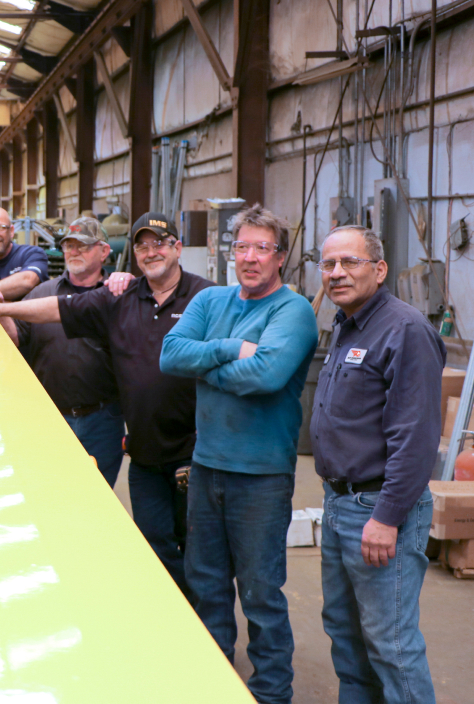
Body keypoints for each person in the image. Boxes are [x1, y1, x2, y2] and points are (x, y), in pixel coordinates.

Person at [0, 212, 213, 599]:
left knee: (200, 548)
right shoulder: (115, 297)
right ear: (132, 253)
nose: (152, 252)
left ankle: (207, 633)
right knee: (149, 541)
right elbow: (56, 310)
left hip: (179, 447)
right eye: (143, 245)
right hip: (131, 449)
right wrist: (3, 308)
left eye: (160, 243)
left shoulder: (194, 296)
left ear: (178, 248)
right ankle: (161, 612)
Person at [159, 204, 318, 704]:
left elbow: (267, 376)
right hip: (206, 468)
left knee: (261, 596)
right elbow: (169, 355)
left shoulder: (293, 311)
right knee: (206, 587)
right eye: (241, 247)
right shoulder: (212, 299)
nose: (249, 258)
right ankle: (213, 686)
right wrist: (231, 348)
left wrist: (203, 363)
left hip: (261, 476)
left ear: (281, 256)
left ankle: (271, 695)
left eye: (262, 248)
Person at [310, 226, 444, 704]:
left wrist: (386, 518)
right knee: (346, 637)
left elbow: (416, 438)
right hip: (340, 503)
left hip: (377, 509)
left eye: (350, 262)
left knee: (391, 646)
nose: (337, 273)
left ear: (379, 268)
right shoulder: (348, 325)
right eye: (328, 265)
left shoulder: (404, 329)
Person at [0, 217, 125, 487]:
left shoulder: (117, 296)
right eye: (69, 246)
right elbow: (16, 337)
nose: (73, 251)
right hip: (49, 416)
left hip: (103, 420)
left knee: (97, 497)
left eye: (83, 246)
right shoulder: (41, 294)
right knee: (49, 491)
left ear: (104, 251)